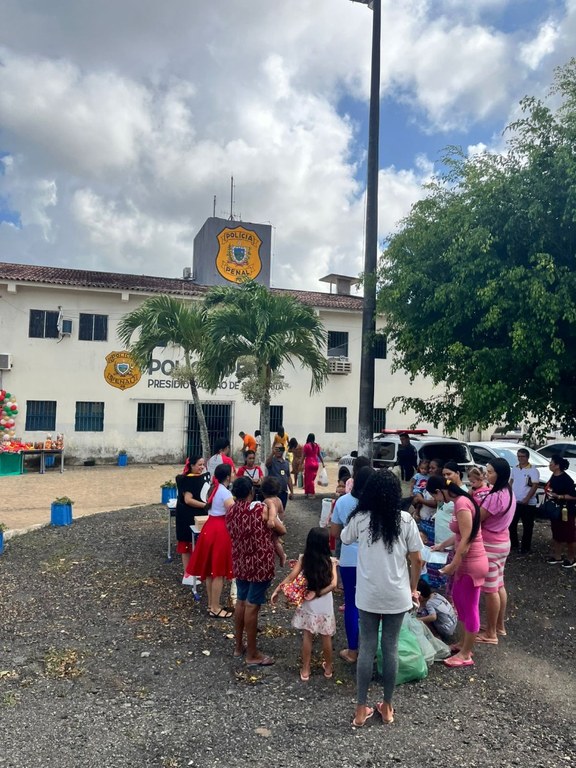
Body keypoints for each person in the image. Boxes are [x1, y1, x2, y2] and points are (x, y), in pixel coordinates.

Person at [341, 470, 422, 727]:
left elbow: (344, 538)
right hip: (397, 595)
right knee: (391, 648)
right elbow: (417, 558)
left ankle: (359, 709)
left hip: (367, 594)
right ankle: (387, 707)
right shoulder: (406, 520)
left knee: (365, 648)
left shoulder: (361, 519)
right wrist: (413, 587)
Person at [427, 476, 488, 668]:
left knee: (470, 608)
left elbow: (467, 539)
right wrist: (441, 545)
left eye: (435, 496)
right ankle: (463, 644)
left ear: (440, 491)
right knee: (460, 603)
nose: (436, 500)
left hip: (472, 563)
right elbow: (459, 534)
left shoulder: (462, 504)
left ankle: (466, 654)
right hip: (465, 563)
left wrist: (453, 565)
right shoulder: (460, 502)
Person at [226, 476, 286, 665]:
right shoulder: (259, 510)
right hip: (260, 563)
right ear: (251, 492)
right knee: (253, 606)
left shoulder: (231, 511)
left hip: (241, 561)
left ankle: (238, 646)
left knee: (241, 602)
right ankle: (252, 654)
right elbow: (281, 529)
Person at [271, 527, 337, 681]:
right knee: (326, 636)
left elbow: (291, 577)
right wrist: (319, 592)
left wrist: (278, 589)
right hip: (325, 601)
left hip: (308, 601)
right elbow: (334, 584)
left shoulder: (303, 559)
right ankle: (328, 668)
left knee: (307, 636)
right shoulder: (331, 561)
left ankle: (305, 669)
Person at [330, 466, 374, 664]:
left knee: (351, 604)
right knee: (372, 605)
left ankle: (353, 650)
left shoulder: (343, 501)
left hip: (349, 559)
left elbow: (334, 532)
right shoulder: (377, 502)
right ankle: (373, 650)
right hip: (374, 560)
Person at [185, 464, 235, 618]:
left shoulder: (214, 488)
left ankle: (212, 604)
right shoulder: (225, 492)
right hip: (219, 530)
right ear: (227, 477)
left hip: (210, 526)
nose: (233, 474)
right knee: (218, 572)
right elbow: (233, 512)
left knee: (209, 571)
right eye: (232, 472)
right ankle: (215, 607)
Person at [476, 458, 516, 644]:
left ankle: (491, 633)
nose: (486, 475)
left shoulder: (494, 497)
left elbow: (479, 518)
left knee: (490, 590)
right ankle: (499, 626)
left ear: (499, 474)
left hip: (491, 544)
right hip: (503, 542)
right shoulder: (508, 492)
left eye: (490, 472)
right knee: (499, 585)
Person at [175, 455, 211, 582]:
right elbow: (188, 500)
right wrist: (205, 505)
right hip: (187, 516)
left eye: (203, 465)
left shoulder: (201, 477)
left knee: (196, 545)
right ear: (191, 466)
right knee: (186, 544)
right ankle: (188, 573)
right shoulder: (187, 480)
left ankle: (196, 571)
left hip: (199, 514)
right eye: (199, 465)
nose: (202, 467)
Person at [545, 454, 576, 568]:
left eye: (551, 463)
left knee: (569, 535)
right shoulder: (553, 476)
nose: (549, 465)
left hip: (567, 510)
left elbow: (573, 496)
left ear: (557, 465)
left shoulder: (567, 479)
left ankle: (571, 558)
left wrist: (559, 496)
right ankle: (557, 556)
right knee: (556, 533)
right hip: (555, 509)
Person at [509, 448, 540, 555]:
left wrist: (527, 498)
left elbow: (535, 485)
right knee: (512, 524)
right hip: (515, 501)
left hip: (528, 503)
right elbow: (511, 481)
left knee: (527, 526)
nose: (520, 459)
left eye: (522, 456)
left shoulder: (533, 470)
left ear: (527, 457)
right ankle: (514, 544)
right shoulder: (515, 468)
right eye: (518, 456)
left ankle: (525, 547)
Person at [260, 476, 287, 567]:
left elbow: (272, 510)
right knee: (275, 540)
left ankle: (282, 556)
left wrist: (271, 519)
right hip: (278, 520)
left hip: (273, 521)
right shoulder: (278, 500)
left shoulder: (268, 500)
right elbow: (282, 512)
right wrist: (282, 521)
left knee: (275, 541)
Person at [265, 444, 294, 510]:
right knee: (273, 510)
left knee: (282, 510)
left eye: (280, 449)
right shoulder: (272, 461)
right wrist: (272, 453)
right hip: (273, 492)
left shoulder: (286, 463)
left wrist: (291, 491)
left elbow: (288, 477)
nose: (278, 451)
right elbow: (267, 464)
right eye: (276, 449)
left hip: (283, 491)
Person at [302, 433, 324, 498]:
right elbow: (320, 455)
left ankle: (312, 493)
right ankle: (307, 493)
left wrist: (300, 464)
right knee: (311, 479)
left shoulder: (306, 446)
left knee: (308, 479)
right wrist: (323, 463)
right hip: (315, 463)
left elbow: (303, 456)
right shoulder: (317, 445)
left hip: (309, 463)